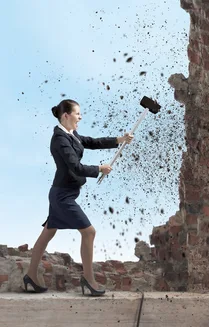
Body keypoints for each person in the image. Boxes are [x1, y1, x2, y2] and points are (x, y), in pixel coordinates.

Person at [22, 99, 134, 296]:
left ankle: (30, 275)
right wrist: (99, 169)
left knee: (48, 233)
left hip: (63, 192)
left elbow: (91, 142)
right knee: (89, 232)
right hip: (62, 196)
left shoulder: (71, 134)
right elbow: (76, 167)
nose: (80, 117)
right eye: (77, 114)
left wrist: (119, 140)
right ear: (66, 115)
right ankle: (88, 279)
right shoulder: (59, 139)